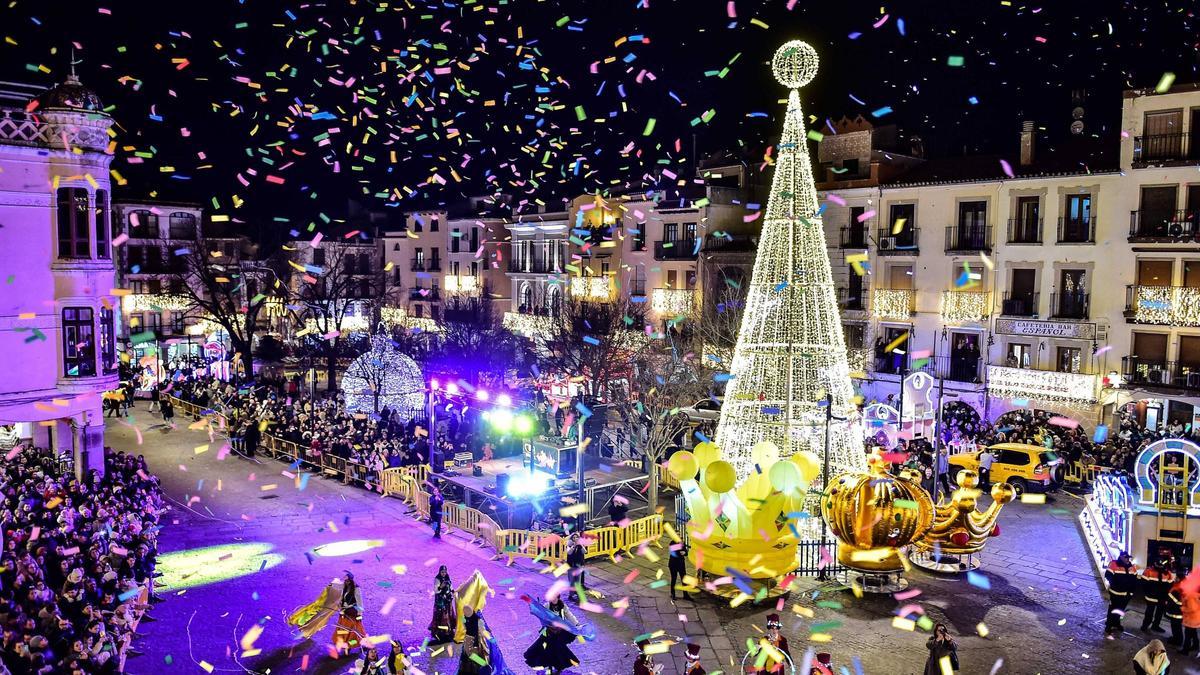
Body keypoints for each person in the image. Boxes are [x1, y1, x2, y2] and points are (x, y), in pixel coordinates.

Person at [523, 596, 583, 675]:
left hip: (560, 633)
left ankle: (559, 668)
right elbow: (542, 616)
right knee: (545, 650)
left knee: (558, 650)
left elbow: (569, 616)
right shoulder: (546, 606)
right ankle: (551, 667)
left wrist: (577, 624)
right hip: (549, 633)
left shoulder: (562, 606)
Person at [1105, 551, 1140, 635]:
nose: (1128, 559)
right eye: (1126, 557)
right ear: (1121, 557)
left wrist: (1131, 592)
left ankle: (1117, 623)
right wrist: (1116, 584)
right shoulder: (1114, 564)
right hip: (1115, 594)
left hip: (1126, 595)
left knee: (1120, 611)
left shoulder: (1132, 567)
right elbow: (1108, 575)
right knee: (1112, 610)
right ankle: (1109, 625)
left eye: (1128, 557)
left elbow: (1135, 580)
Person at [334, 571, 367, 654]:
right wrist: (339, 605)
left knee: (355, 630)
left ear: (350, 580)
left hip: (352, 612)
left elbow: (359, 601)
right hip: (344, 611)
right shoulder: (345, 586)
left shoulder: (356, 588)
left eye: (347, 581)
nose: (345, 582)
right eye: (345, 581)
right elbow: (341, 596)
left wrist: (359, 613)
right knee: (344, 629)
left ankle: (354, 644)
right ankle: (346, 644)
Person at [1141, 556, 1176, 633]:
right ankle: (1145, 625)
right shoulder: (1148, 571)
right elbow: (1143, 584)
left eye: (1161, 565)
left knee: (1159, 613)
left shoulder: (1167, 573)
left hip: (1162, 598)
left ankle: (1155, 626)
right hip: (1151, 597)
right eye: (1159, 565)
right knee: (1149, 613)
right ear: (1155, 564)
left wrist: (1167, 597)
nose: (1160, 567)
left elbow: (1171, 586)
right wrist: (1149, 592)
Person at [430, 566, 457, 643]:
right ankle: (440, 632)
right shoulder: (437, 579)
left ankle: (448, 631)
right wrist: (441, 587)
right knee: (441, 615)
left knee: (448, 614)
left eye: (445, 572)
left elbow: (451, 586)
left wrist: (453, 591)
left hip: (447, 600)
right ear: (439, 572)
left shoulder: (447, 577)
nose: (444, 574)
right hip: (441, 601)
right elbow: (436, 591)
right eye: (442, 572)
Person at [1181, 578, 1200, 655]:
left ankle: (1185, 650)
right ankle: (1195, 645)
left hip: (1191, 619)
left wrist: (1182, 608)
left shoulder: (1191, 596)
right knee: (1193, 632)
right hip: (1197, 618)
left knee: (1188, 635)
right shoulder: (1198, 596)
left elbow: (1191, 608)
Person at [566, 533, 587, 599]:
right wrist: (574, 546)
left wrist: (580, 545)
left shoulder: (580, 545)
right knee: (571, 581)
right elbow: (569, 552)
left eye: (576, 537)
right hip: (571, 566)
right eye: (574, 537)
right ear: (571, 539)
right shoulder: (569, 545)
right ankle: (571, 595)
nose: (575, 539)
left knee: (578, 581)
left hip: (578, 566)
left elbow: (584, 551)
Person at [1165, 582, 1184, 648]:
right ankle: (1176, 639)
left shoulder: (1177, 588)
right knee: (1177, 626)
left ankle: (1177, 641)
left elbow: (1174, 600)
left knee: (1176, 626)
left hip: (1176, 611)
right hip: (1180, 611)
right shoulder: (1184, 586)